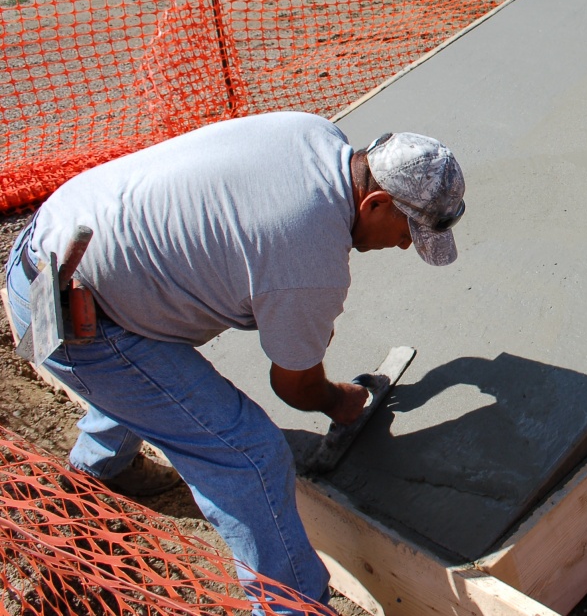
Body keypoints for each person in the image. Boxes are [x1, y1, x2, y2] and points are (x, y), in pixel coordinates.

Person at [4, 112, 466, 613]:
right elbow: (294, 387)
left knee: (155, 381)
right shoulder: (309, 262)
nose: (403, 245)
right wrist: (342, 399)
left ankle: (95, 471)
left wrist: (295, 320)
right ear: (375, 203)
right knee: (250, 454)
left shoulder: (313, 132)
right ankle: (291, 607)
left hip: (51, 244)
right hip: (77, 321)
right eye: (407, 233)